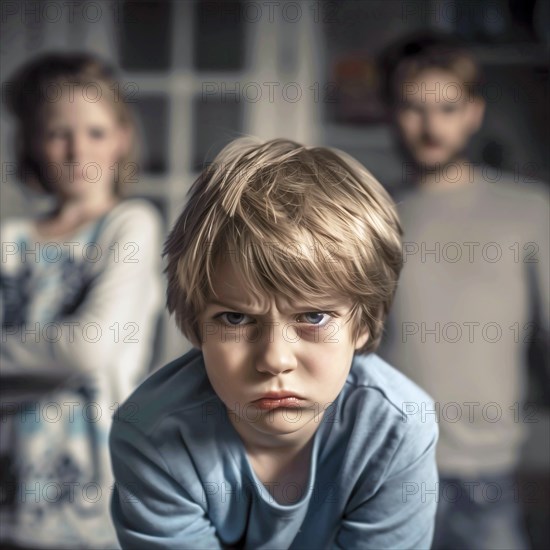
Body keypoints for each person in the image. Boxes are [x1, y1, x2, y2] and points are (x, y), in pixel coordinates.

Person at [109, 136, 439, 549]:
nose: (275, 359)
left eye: (313, 317)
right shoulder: (150, 431)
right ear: (196, 325)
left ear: (364, 324)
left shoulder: (396, 427)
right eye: (235, 317)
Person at [377, 32, 550, 549]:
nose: (431, 127)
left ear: (473, 112)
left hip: (489, 474)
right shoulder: (372, 216)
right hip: (388, 470)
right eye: (413, 108)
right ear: (391, 111)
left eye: (448, 108)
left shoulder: (531, 211)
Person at [0, 53, 164, 549]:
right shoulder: (10, 238)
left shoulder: (131, 224)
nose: (77, 151)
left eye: (94, 132)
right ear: (32, 143)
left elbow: (89, 348)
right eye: (56, 134)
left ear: (122, 138)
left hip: (94, 502)